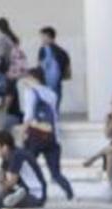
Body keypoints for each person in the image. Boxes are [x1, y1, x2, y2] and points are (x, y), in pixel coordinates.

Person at [20, 68, 76, 201]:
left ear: (33, 78)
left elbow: (28, 116)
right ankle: (70, 194)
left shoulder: (30, 93)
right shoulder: (51, 93)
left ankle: (30, 193)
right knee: (55, 173)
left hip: (35, 137)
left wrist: (23, 132)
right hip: (52, 137)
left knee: (26, 167)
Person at [37, 27, 71, 112]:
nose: (41, 39)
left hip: (46, 84)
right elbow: (66, 68)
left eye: (42, 36)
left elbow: (41, 66)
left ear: (48, 36)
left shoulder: (43, 49)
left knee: (46, 111)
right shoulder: (62, 51)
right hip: (57, 84)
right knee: (55, 110)